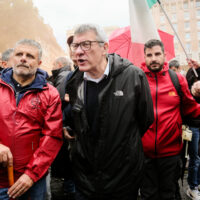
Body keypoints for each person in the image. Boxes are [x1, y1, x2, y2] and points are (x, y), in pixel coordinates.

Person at [63, 23, 154, 200]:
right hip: (85, 179)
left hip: (123, 179)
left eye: (86, 45)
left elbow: (145, 119)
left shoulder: (133, 76)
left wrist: (122, 145)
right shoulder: (73, 81)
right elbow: (76, 120)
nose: (78, 52)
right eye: (75, 46)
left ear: (104, 47)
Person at [0, 39, 63, 200]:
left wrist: (32, 174)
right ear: (12, 58)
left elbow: (52, 137)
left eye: (29, 56)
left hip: (32, 181)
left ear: (39, 63)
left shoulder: (50, 93)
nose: (23, 58)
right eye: (19, 54)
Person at [140, 39, 200, 200]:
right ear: (144, 57)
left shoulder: (177, 79)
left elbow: (191, 108)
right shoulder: (137, 79)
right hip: (144, 154)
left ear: (164, 55)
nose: (153, 58)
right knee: (148, 195)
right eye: (149, 55)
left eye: (157, 54)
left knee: (169, 195)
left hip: (171, 154)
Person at [186, 59, 200, 200]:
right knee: (194, 158)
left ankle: (198, 183)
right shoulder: (191, 73)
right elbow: (187, 96)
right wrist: (193, 90)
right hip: (194, 124)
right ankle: (192, 186)